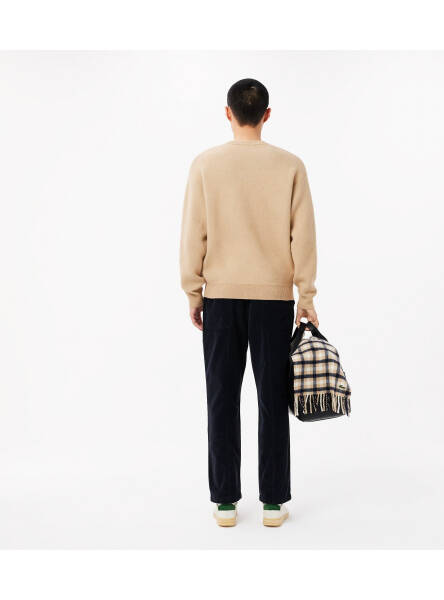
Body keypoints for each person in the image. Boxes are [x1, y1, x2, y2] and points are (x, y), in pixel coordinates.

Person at [180, 78, 318, 527]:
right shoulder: (290, 166)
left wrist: (193, 291)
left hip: (220, 298)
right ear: (267, 115)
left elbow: (194, 233)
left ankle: (225, 502)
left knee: (221, 398)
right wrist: (305, 296)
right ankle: (273, 502)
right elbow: (303, 236)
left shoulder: (205, 164)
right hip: (273, 300)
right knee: (272, 400)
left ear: (228, 113)